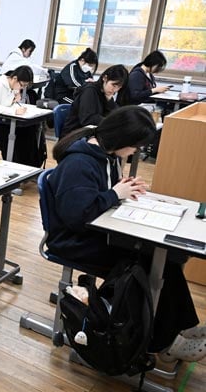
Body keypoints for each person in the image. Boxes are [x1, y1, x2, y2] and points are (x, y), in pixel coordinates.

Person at [47, 106, 206, 363]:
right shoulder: (80, 162)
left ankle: (182, 326)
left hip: (98, 230)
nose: (135, 152)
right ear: (121, 140)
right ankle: (164, 342)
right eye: (134, 146)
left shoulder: (104, 154)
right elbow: (76, 216)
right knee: (150, 261)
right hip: (74, 240)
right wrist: (114, 195)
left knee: (166, 257)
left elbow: (98, 195)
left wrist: (124, 189)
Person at [62, 64, 129, 137]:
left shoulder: (106, 93)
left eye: (119, 87)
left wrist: (110, 101)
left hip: (91, 133)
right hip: (75, 135)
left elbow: (116, 114)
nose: (115, 90)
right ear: (105, 78)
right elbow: (87, 119)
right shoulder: (90, 91)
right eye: (113, 85)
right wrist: (110, 123)